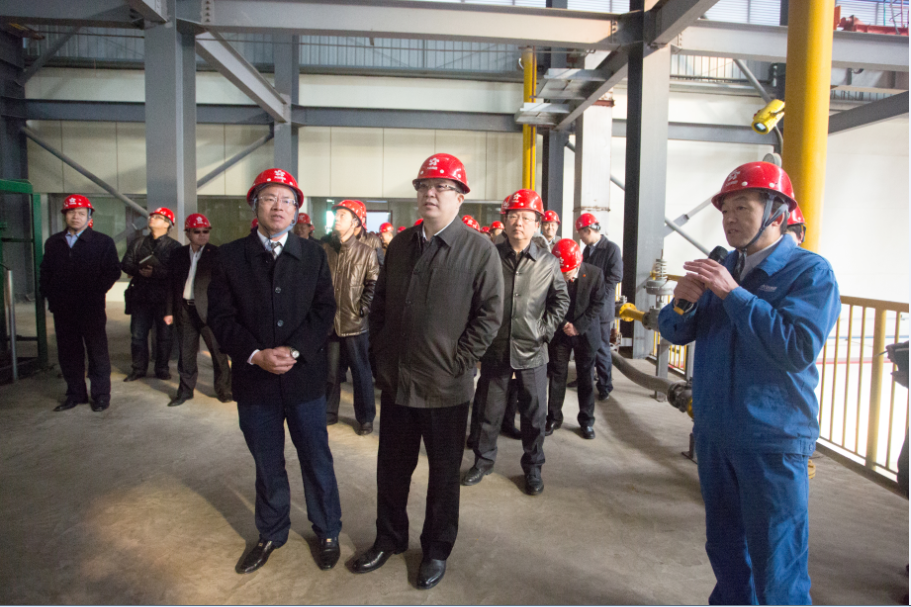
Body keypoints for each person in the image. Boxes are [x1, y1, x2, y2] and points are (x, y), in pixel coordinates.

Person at [658, 161, 840, 605]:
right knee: (724, 549)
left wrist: (733, 294)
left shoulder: (810, 273)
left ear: (777, 213)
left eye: (743, 207)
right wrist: (681, 303)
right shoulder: (724, 267)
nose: (730, 219)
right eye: (725, 210)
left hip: (771, 441)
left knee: (777, 564)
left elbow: (796, 347)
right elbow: (677, 332)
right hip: (716, 435)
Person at [351, 153, 503, 590]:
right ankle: (389, 538)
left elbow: (490, 315)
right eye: (423, 186)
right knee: (391, 470)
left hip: (445, 389)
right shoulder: (400, 245)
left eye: (441, 187)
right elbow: (380, 304)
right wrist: (380, 354)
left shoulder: (479, 250)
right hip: (398, 383)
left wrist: (459, 361)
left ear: (460, 197)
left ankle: (436, 549)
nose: (430, 193)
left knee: (443, 477)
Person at [207, 168, 342, 574]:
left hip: (304, 380)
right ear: (255, 205)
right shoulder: (230, 257)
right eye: (269, 198)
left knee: (316, 457)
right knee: (267, 461)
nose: (278, 206)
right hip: (255, 381)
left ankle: (328, 530)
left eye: (287, 200)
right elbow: (220, 317)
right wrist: (254, 354)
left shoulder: (314, 255)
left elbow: (324, 310)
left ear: (296, 209)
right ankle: (271, 531)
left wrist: (295, 349)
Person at [462, 189, 569, 495]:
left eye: (526, 217)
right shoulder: (489, 257)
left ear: (537, 224)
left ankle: (533, 468)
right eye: (513, 216)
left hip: (532, 352)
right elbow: (474, 298)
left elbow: (560, 300)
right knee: (487, 411)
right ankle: (483, 461)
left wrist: (543, 331)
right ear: (505, 221)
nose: (518, 222)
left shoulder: (548, 262)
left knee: (534, 416)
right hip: (495, 350)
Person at [39, 195, 120, 412]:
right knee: (68, 353)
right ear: (64, 215)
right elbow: (45, 271)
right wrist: (51, 296)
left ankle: (101, 396)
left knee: (97, 353)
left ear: (89, 216)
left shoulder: (103, 242)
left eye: (81, 213)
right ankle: (75, 394)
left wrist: (94, 292)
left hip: (91, 309)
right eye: (71, 212)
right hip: (63, 310)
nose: (76, 216)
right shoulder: (54, 243)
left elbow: (112, 271)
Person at [163, 213, 232, 407]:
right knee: (186, 353)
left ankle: (224, 390)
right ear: (187, 233)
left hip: (210, 312)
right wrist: (168, 311)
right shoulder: (178, 254)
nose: (202, 235)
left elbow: (226, 287)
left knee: (218, 353)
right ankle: (185, 391)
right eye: (197, 232)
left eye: (205, 231)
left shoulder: (217, 254)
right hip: (185, 310)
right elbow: (171, 285)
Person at [323, 199, 379, 435]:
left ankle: (365, 418)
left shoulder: (366, 253)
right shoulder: (326, 250)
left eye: (343, 216)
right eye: (336, 215)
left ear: (355, 222)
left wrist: (362, 309)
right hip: (330, 323)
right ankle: (329, 412)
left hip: (355, 323)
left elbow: (373, 284)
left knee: (361, 373)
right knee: (331, 372)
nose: (337, 219)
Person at [546, 238, 605, 439]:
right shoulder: (551, 272)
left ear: (578, 264)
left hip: (585, 334)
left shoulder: (595, 274)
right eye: (560, 272)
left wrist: (578, 327)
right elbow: (548, 301)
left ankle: (586, 421)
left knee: (586, 378)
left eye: (567, 272)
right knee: (557, 375)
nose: (563, 276)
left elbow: (597, 304)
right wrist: (563, 324)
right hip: (561, 332)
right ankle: (553, 418)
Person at [121, 207, 181, 382]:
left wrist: (156, 272)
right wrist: (139, 271)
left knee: (164, 336)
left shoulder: (174, 247)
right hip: (141, 297)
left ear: (167, 224)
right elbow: (126, 264)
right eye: (152, 216)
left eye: (158, 217)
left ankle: (162, 368)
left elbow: (177, 273)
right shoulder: (138, 243)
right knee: (138, 335)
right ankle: (139, 369)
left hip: (164, 299)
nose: (152, 219)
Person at [575, 212, 622, 400]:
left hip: (601, 310)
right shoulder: (587, 250)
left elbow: (616, 276)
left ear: (588, 230)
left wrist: (599, 296)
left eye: (581, 234)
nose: (580, 237)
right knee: (585, 346)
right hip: (587, 309)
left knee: (601, 348)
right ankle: (584, 379)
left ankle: (605, 386)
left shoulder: (611, 249)